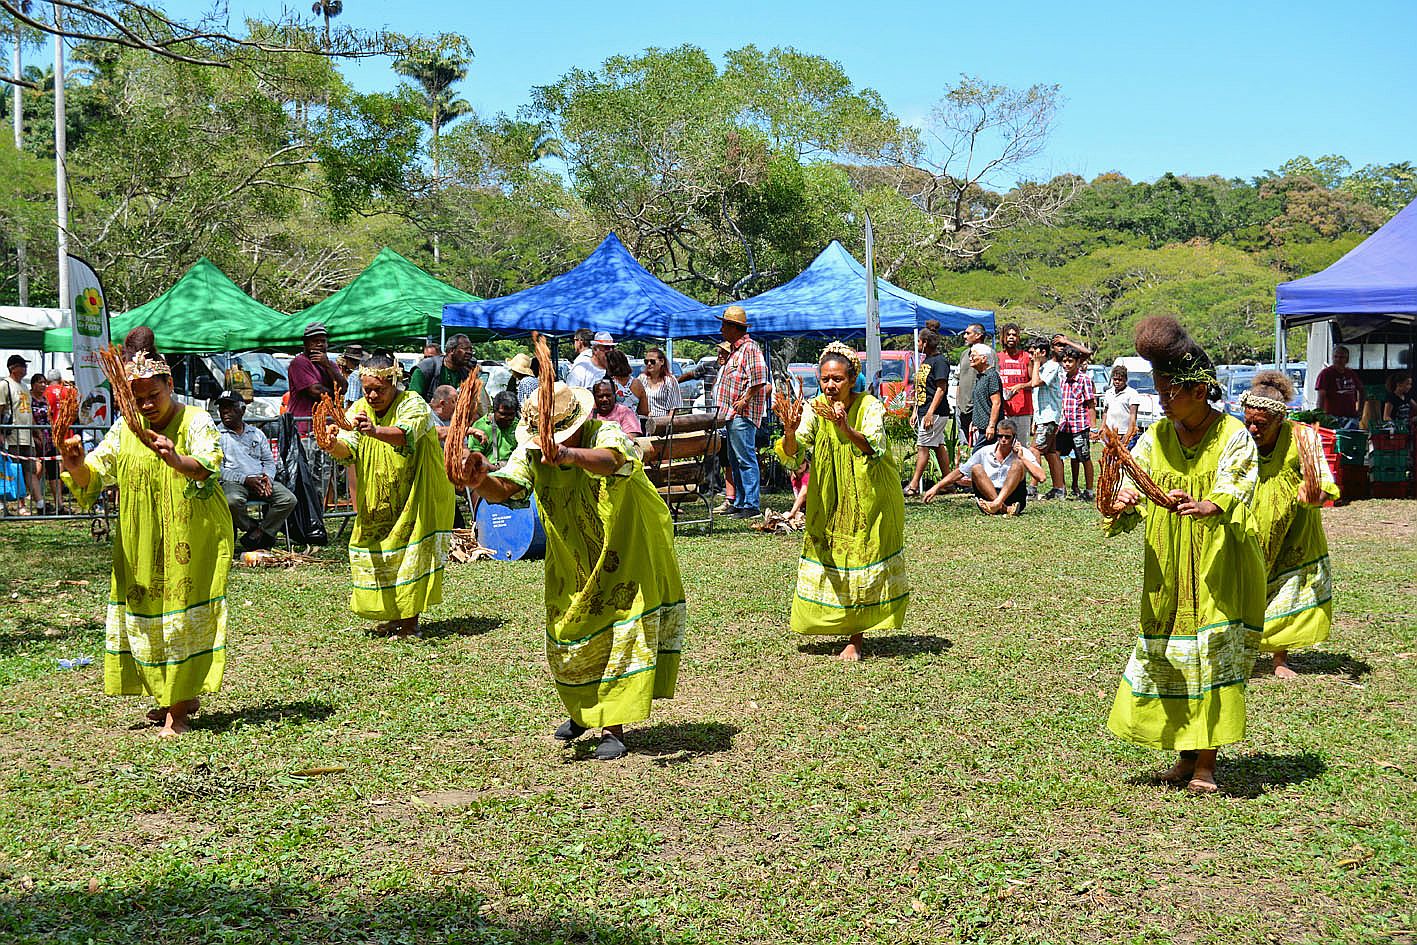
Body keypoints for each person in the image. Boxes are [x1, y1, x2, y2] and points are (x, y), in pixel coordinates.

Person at [465, 381, 686, 761]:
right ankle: (582, 712)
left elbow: (611, 461)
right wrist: (480, 480)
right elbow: (507, 487)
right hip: (570, 553)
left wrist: (569, 455)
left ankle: (612, 725)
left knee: (620, 628)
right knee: (568, 629)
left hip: (623, 547)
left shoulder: (607, 433)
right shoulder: (533, 449)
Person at [1101, 315, 1266, 794]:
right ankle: (1183, 754)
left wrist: (1213, 503)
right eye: (1158, 391)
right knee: (1175, 653)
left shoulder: (1233, 434)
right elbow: (1137, 484)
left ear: (1199, 390)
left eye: (1170, 392)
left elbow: (1239, 482)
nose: (1162, 401)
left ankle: (1205, 766)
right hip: (1169, 564)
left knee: (1211, 654)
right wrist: (1124, 500)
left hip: (1218, 563)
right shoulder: (1157, 437)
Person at [58, 349, 233, 736]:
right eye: (138, 399)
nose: (147, 404)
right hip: (140, 543)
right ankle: (174, 695)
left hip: (190, 539)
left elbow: (208, 464)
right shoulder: (126, 427)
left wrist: (176, 459)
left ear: (171, 385)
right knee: (150, 616)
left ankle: (179, 709)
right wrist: (75, 467)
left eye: (154, 394)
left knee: (183, 616)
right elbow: (96, 474)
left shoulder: (195, 420)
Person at [774, 343, 908, 661]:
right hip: (829, 494)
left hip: (869, 494)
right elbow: (795, 455)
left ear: (851, 379)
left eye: (837, 379)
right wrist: (789, 432)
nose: (830, 386)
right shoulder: (815, 406)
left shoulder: (869, 406)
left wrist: (844, 427)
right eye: (825, 379)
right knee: (830, 554)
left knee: (860, 554)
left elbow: (871, 446)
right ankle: (836, 621)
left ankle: (856, 638)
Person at [316, 353, 455, 638]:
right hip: (376, 497)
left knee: (409, 555)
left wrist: (375, 430)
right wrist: (332, 445)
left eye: (379, 388)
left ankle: (409, 621)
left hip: (415, 494)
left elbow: (406, 433)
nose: (372, 394)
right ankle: (393, 616)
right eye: (367, 388)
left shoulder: (413, 403)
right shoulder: (358, 408)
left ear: (395, 382)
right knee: (376, 554)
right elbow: (349, 446)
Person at [1240, 371, 1339, 680]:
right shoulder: (1240, 439)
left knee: (1288, 590)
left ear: (1279, 420)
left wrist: (1314, 493)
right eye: (1249, 422)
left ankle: (1279, 657)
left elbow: (1324, 482)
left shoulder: (1303, 438)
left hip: (1296, 530)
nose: (1253, 429)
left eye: (1261, 424)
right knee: (1243, 588)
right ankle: (1239, 651)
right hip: (1251, 526)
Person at [216, 390, 296, 551]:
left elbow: (268, 461)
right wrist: (244, 479)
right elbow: (218, 469)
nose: (225, 411)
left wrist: (268, 477)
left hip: (260, 479)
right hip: (234, 482)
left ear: (243, 410)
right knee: (231, 501)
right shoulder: (216, 435)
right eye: (222, 407)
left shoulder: (256, 433)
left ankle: (262, 531)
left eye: (230, 407)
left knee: (288, 499)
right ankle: (252, 528)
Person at [922, 418, 1045, 514]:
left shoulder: (1022, 452)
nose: (1003, 440)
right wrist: (936, 487)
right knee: (976, 468)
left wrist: (1022, 457)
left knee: (1018, 464)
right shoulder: (985, 451)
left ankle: (996, 505)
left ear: (1014, 438)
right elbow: (960, 472)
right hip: (987, 495)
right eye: (1000, 436)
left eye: (1007, 437)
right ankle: (1003, 508)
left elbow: (1041, 477)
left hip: (1013, 496)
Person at [286, 322, 346, 506]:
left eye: (323, 341)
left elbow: (343, 388)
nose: (320, 345)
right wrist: (333, 392)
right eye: (315, 341)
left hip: (325, 431)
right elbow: (316, 391)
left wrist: (327, 366)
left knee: (323, 477)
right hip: (304, 431)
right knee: (305, 479)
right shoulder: (300, 363)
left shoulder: (330, 364)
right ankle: (303, 520)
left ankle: (317, 518)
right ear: (306, 343)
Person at [718, 305, 769, 518]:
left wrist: (745, 399)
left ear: (733, 328)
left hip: (741, 414)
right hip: (732, 414)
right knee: (735, 458)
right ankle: (739, 501)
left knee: (744, 458)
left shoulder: (750, 349)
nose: (721, 330)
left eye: (724, 325)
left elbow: (759, 378)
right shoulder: (737, 350)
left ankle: (751, 503)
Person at [904, 329, 952, 497]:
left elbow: (941, 389)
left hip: (936, 412)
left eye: (918, 341)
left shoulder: (940, 362)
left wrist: (930, 413)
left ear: (925, 343)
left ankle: (914, 485)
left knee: (923, 446)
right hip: (924, 410)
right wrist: (915, 411)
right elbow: (921, 389)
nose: (917, 344)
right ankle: (948, 482)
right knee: (938, 447)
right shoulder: (927, 361)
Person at [1022, 337, 1066, 498]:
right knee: (1050, 453)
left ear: (1043, 352)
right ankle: (1058, 489)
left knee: (1034, 449)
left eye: (1034, 353)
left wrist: (1037, 363)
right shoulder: (1040, 367)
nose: (1031, 356)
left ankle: (1032, 487)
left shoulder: (1052, 366)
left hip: (1049, 417)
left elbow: (1035, 383)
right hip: (1043, 417)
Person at [0, 353, 43, 514]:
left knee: (30, 470)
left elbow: (29, 413)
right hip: (12, 437)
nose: (25, 368)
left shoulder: (25, 387)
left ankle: (40, 504)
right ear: (13, 368)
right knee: (13, 470)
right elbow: (1, 409)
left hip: (27, 436)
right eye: (22, 365)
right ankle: (19, 505)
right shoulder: (5, 385)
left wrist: (37, 432)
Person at [1056, 348, 1097, 502]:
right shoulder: (1062, 379)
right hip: (1064, 426)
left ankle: (1089, 490)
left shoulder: (1084, 379)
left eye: (1070, 361)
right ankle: (1060, 487)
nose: (1066, 364)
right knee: (1057, 455)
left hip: (1079, 426)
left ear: (1078, 362)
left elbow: (1091, 404)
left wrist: (1093, 428)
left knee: (1084, 457)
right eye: (1064, 361)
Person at [995, 324, 1035, 453]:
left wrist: (1021, 386)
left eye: (1014, 335)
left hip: (1023, 410)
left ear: (1018, 338)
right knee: (1003, 447)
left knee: (1022, 448)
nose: (1011, 337)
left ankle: (1022, 474)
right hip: (1003, 410)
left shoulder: (1027, 357)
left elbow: (1035, 381)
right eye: (1008, 335)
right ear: (1003, 338)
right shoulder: (997, 357)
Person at [27, 373, 61, 513]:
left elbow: (49, 417)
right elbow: (29, 416)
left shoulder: (45, 399)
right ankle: (30, 496)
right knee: (35, 469)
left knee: (54, 470)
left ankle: (59, 504)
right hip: (34, 438)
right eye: (40, 382)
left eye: (44, 382)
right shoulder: (29, 398)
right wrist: (37, 434)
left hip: (49, 438)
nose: (43, 385)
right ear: (33, 384)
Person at [410, 333, 475, 401]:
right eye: (465, 349)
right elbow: (413, 402)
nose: (469, 352)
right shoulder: (425, 369)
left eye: (471, 349)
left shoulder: (467, 374)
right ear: (451, 350)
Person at [954, 322, 987, 450]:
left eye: (968, 333)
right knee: (963, 446)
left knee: (979, 446)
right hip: (962, 407)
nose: (964, 336)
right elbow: (959, 378)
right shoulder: (964, 354)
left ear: (978, 335)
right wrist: (958, 401)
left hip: (978, 407)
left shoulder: (988, 354)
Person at [1315, 345, 1364, 428]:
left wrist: (1360, 410)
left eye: (1341, 357)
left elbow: (1361, 390)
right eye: (1335, 357)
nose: (1338, 360)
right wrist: (1321, 416)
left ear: (1347, 359)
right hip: (1332, 417)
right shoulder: (1326, 374)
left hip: (1351, 417)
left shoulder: (1351, 373)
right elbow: (1321, 396)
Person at [631, 346, 684, 418]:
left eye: (652, 361)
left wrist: (667, 426)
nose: (649, 364)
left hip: (662, 422)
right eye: (646, 362)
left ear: (662, 362)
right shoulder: (641, 378)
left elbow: (673, 409)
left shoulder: (670, 381)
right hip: (642, 422)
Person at [966, 344, 1003, 447]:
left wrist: (991, 426)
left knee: (977, 456)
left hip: (988, 429)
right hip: (981, 427)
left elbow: (996, 403)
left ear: (984, 358)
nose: (970, 359)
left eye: (973, 356)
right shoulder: (981, 377)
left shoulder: (991, 376)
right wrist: (974, 422)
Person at [470, 391, 521, 465]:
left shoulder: (518, 425)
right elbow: (475, 454)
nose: (507, 418)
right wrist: (491, 467)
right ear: (494, 410)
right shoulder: (481, 426)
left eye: (511, 414)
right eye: (503, 414)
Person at [1100, 363, 1143, 446]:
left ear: (1125, 379)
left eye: (1120, 380)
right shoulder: (1109, 393)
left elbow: (1133, 416)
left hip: (1125, 433)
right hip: (1110, 433)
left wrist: (1127, 436)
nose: (1117, 382)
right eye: (1115, 379)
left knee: (1125, 457)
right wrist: (1102, 427)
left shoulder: (1132, 393)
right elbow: (1105, 412)